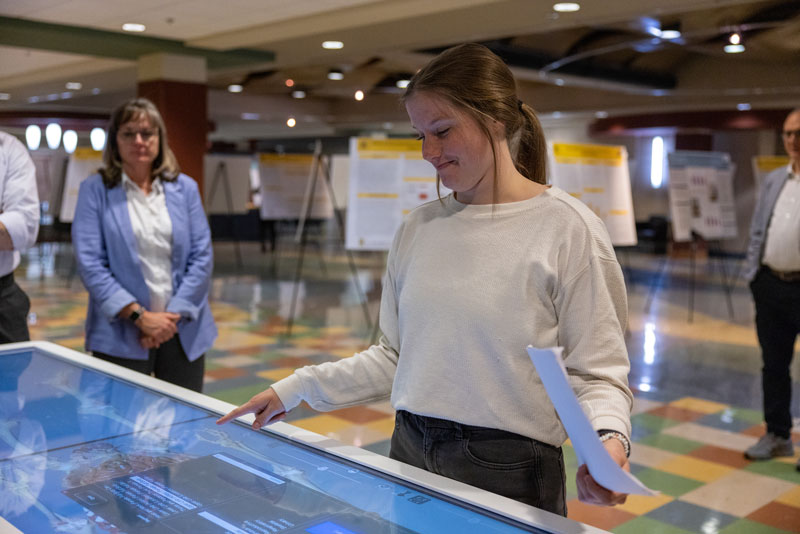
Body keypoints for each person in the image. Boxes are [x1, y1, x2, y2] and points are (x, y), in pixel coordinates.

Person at [218, 43, 632, 514]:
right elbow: (396, 357)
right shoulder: (418, 228)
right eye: (420, 135)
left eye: (442, 131)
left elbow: (597, 372)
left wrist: (608, 440)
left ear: (495, 120)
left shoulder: (568, 228)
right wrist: (291, 390)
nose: (429, 153)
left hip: (510, 468)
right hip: (409, 450)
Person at [72, 97, 217, 392]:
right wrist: (140, 317)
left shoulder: (185, 188)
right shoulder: (94, 190)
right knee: (117, 426)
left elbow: (202, 256)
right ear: (115, 141)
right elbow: (90, 262)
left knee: (184, 427)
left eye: (147, 133)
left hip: (182, 329)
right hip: (121, 333)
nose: (139, 141)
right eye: (128, 133)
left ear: (159, 139)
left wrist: (167, 321)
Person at [743, 108, 800, 468]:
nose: (793, 140)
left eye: (799, 132)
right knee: (774, 365)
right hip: (771, 285)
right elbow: (758, 230)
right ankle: (778, 435)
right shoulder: (775, 180)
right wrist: (755, 275)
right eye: (788, 134)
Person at [0, 130, 39, 343]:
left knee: (8, 374)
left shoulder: (9, 149)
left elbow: (25, 227)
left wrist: (8, 225)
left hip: (2, 301)